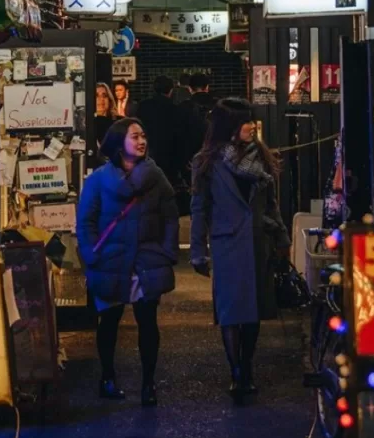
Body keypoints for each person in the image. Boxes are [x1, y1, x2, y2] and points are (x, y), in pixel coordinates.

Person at [190, 98, 290, 403]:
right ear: (230, 127)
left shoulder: (261, 157)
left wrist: (283, 237)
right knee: (232, 311)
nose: (251, 126)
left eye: (251, 121)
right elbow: (199, 207)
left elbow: (271, 204)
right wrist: (198, 250)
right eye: (245, 122)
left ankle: (246, 365)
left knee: (254, 311)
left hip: (258, 240)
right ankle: (237, 372)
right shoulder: (207, 161)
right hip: (227, 242)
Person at [76, 118, 179, 407]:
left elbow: (170, 216)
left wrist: (167, 251)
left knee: (148, 322)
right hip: (110, 260)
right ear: (119, 143)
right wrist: (92, 254)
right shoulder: (98, 180)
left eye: (144, 136)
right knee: (108, 321)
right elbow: (86, 222)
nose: (141, 141)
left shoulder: (156, 178)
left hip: (146, 259)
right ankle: (107, 377)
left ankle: (149, 383)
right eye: (134, 137)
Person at [135, 76, 180, 186]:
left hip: (147, 154)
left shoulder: (143, 107)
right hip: (169, 157)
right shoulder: (175, 109)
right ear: (171, 90)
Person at [93, 82, 117, 153]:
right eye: (96, 96)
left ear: (109, 100)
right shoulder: (86, 125)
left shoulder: (119, 122)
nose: (101, 99)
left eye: (105, 96)